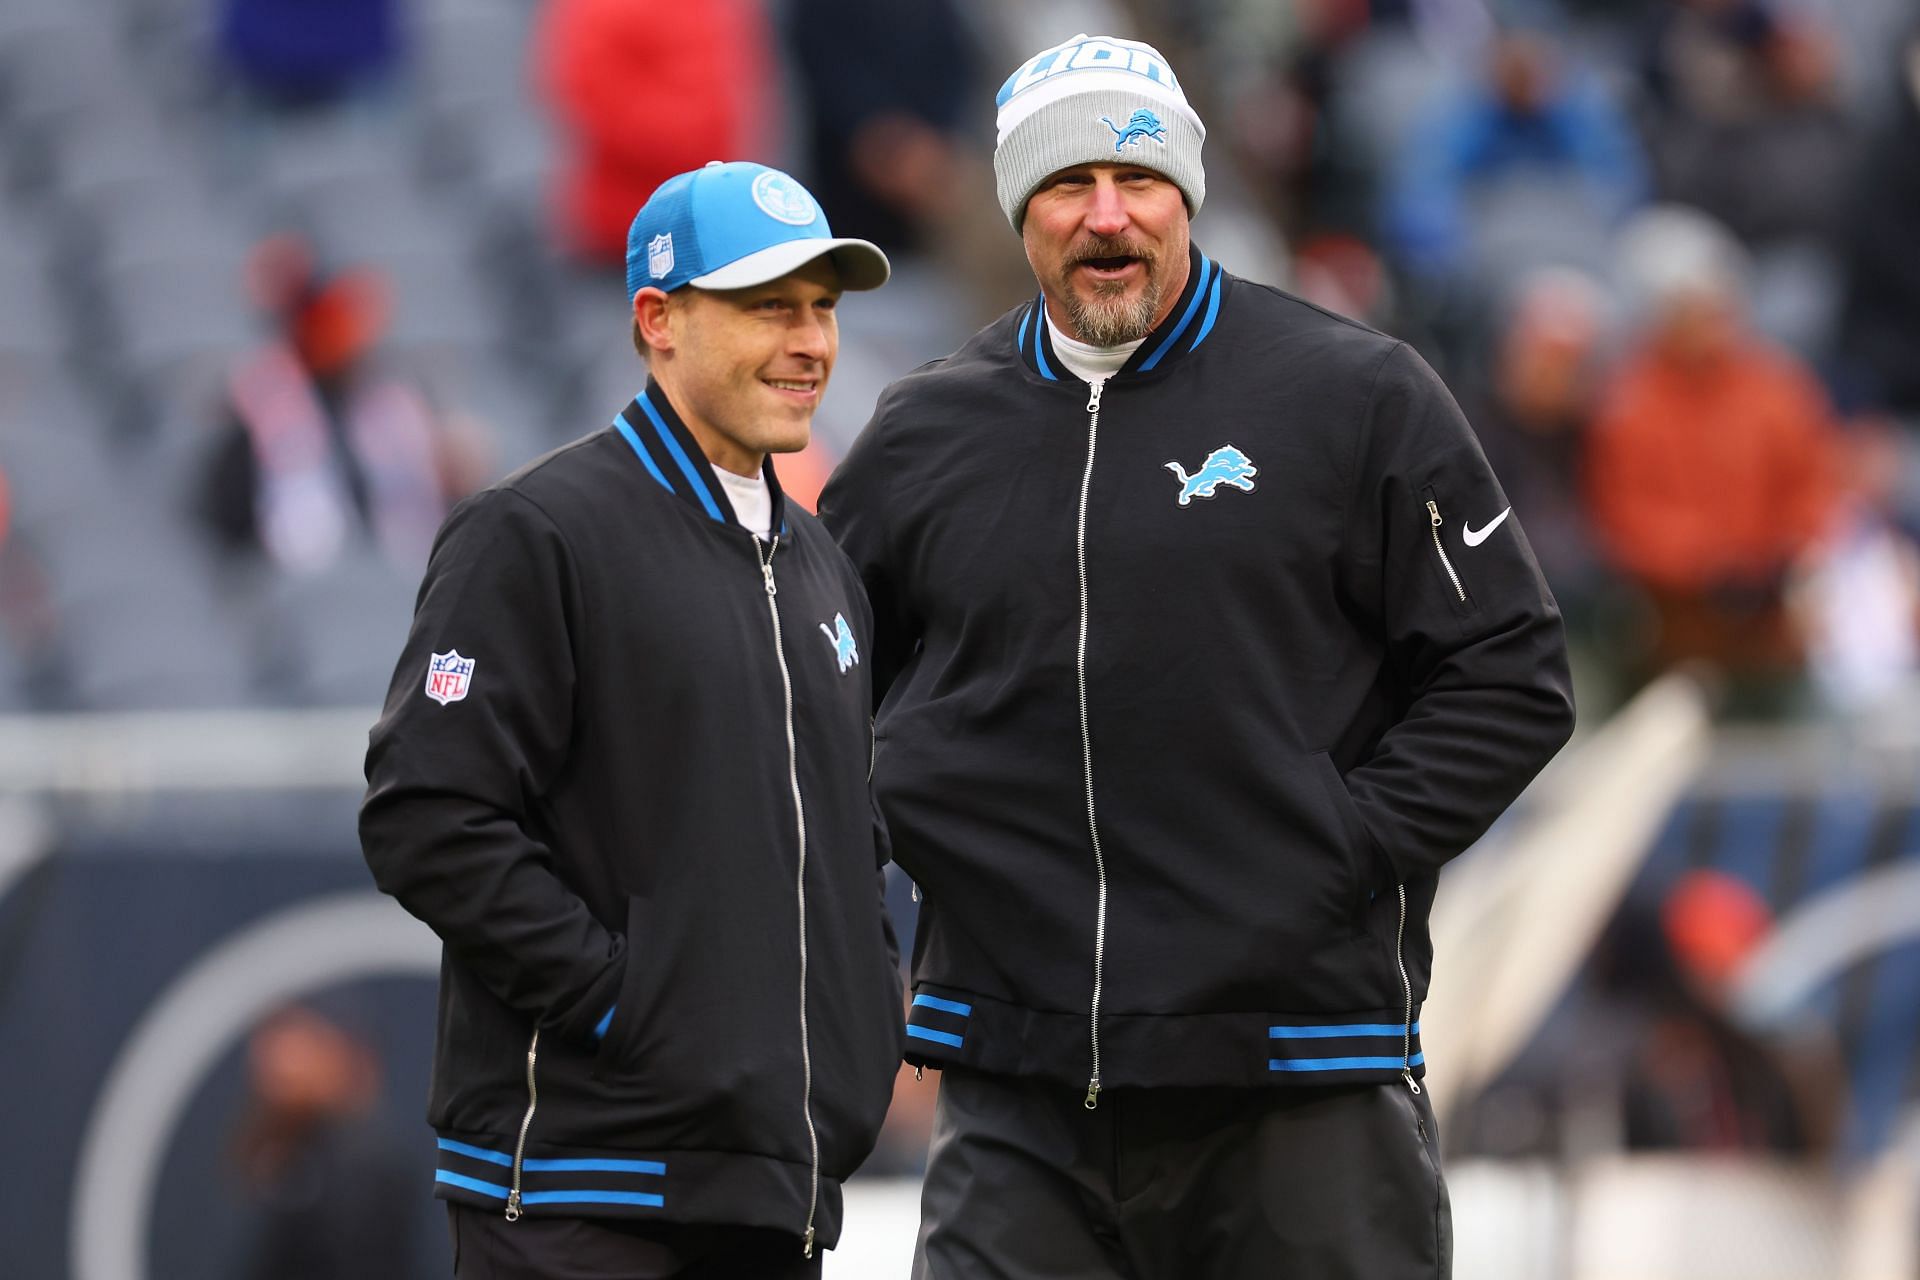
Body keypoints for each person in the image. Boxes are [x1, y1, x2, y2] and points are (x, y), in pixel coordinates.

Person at [818, 33, 1575, 1279]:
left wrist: (1334, 843)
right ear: (1020, 212)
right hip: (1020, 1098)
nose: (1108, 217)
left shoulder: (1356, 395)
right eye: (1067, 185)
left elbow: (1512, 673)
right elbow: (817, 692)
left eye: (1141, 180)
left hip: (1299, 1076)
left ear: (1189, 196)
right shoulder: (921, 434)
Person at [360, 161, 904, 1278]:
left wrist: (861, 1031)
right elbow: (427, 814)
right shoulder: (536, 533)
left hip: (773, 1191)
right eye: (769, 306)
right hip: (579, 1194)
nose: (811, 342)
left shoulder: (825, 575)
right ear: (658, 319)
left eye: (824, 307)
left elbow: (852, 846)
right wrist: (627, 1004)